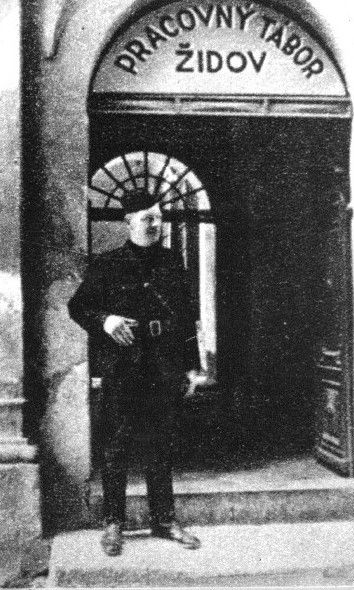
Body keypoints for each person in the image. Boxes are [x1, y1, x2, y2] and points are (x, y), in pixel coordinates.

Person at [68, 189, 201, 555]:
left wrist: (191, 366)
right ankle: (114, 523)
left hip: (163, 364)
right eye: (146, 218)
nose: (154, 224)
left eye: (158, 217)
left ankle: (164, 520)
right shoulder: (107, 265)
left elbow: (187, 317)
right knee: (116, 445)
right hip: (122, 366)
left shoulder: (172, 262)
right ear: (129, 222)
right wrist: (106, 320)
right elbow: (78, 306)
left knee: (161, 443)